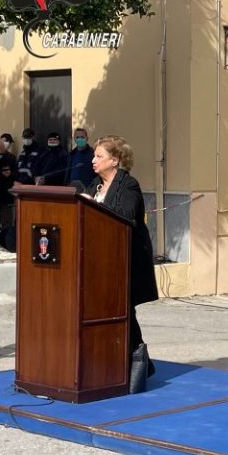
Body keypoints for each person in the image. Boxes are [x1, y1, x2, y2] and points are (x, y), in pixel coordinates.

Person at [87, 136, 159, 387]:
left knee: (124, 310)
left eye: (99, 156)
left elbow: (127, 216)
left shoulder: (128, 185)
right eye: (94, 156)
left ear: (114, 160)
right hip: (99, 260)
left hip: (125, 259)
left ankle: (139, 361)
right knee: (113, 311)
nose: (93, 160)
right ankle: (125, 361)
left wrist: (94, 210)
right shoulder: (95, 185)